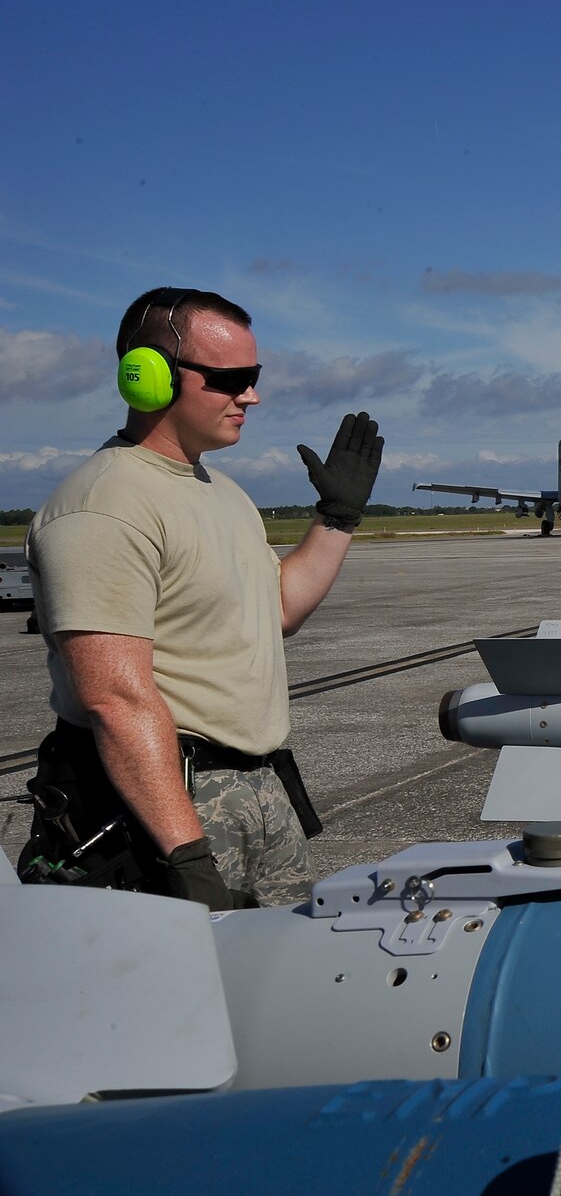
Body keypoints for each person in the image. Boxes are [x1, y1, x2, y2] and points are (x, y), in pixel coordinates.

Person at [16, 288, 383, 911]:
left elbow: (280, 609)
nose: (252, 395)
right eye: (230, 378)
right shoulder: (105, 507)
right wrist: (184, 855)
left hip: (261, 792)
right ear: (149, 377)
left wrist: (337, 518)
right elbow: (115, 699)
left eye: (254, 376)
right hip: (167, 808)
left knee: (273, 991)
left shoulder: (221, 491)